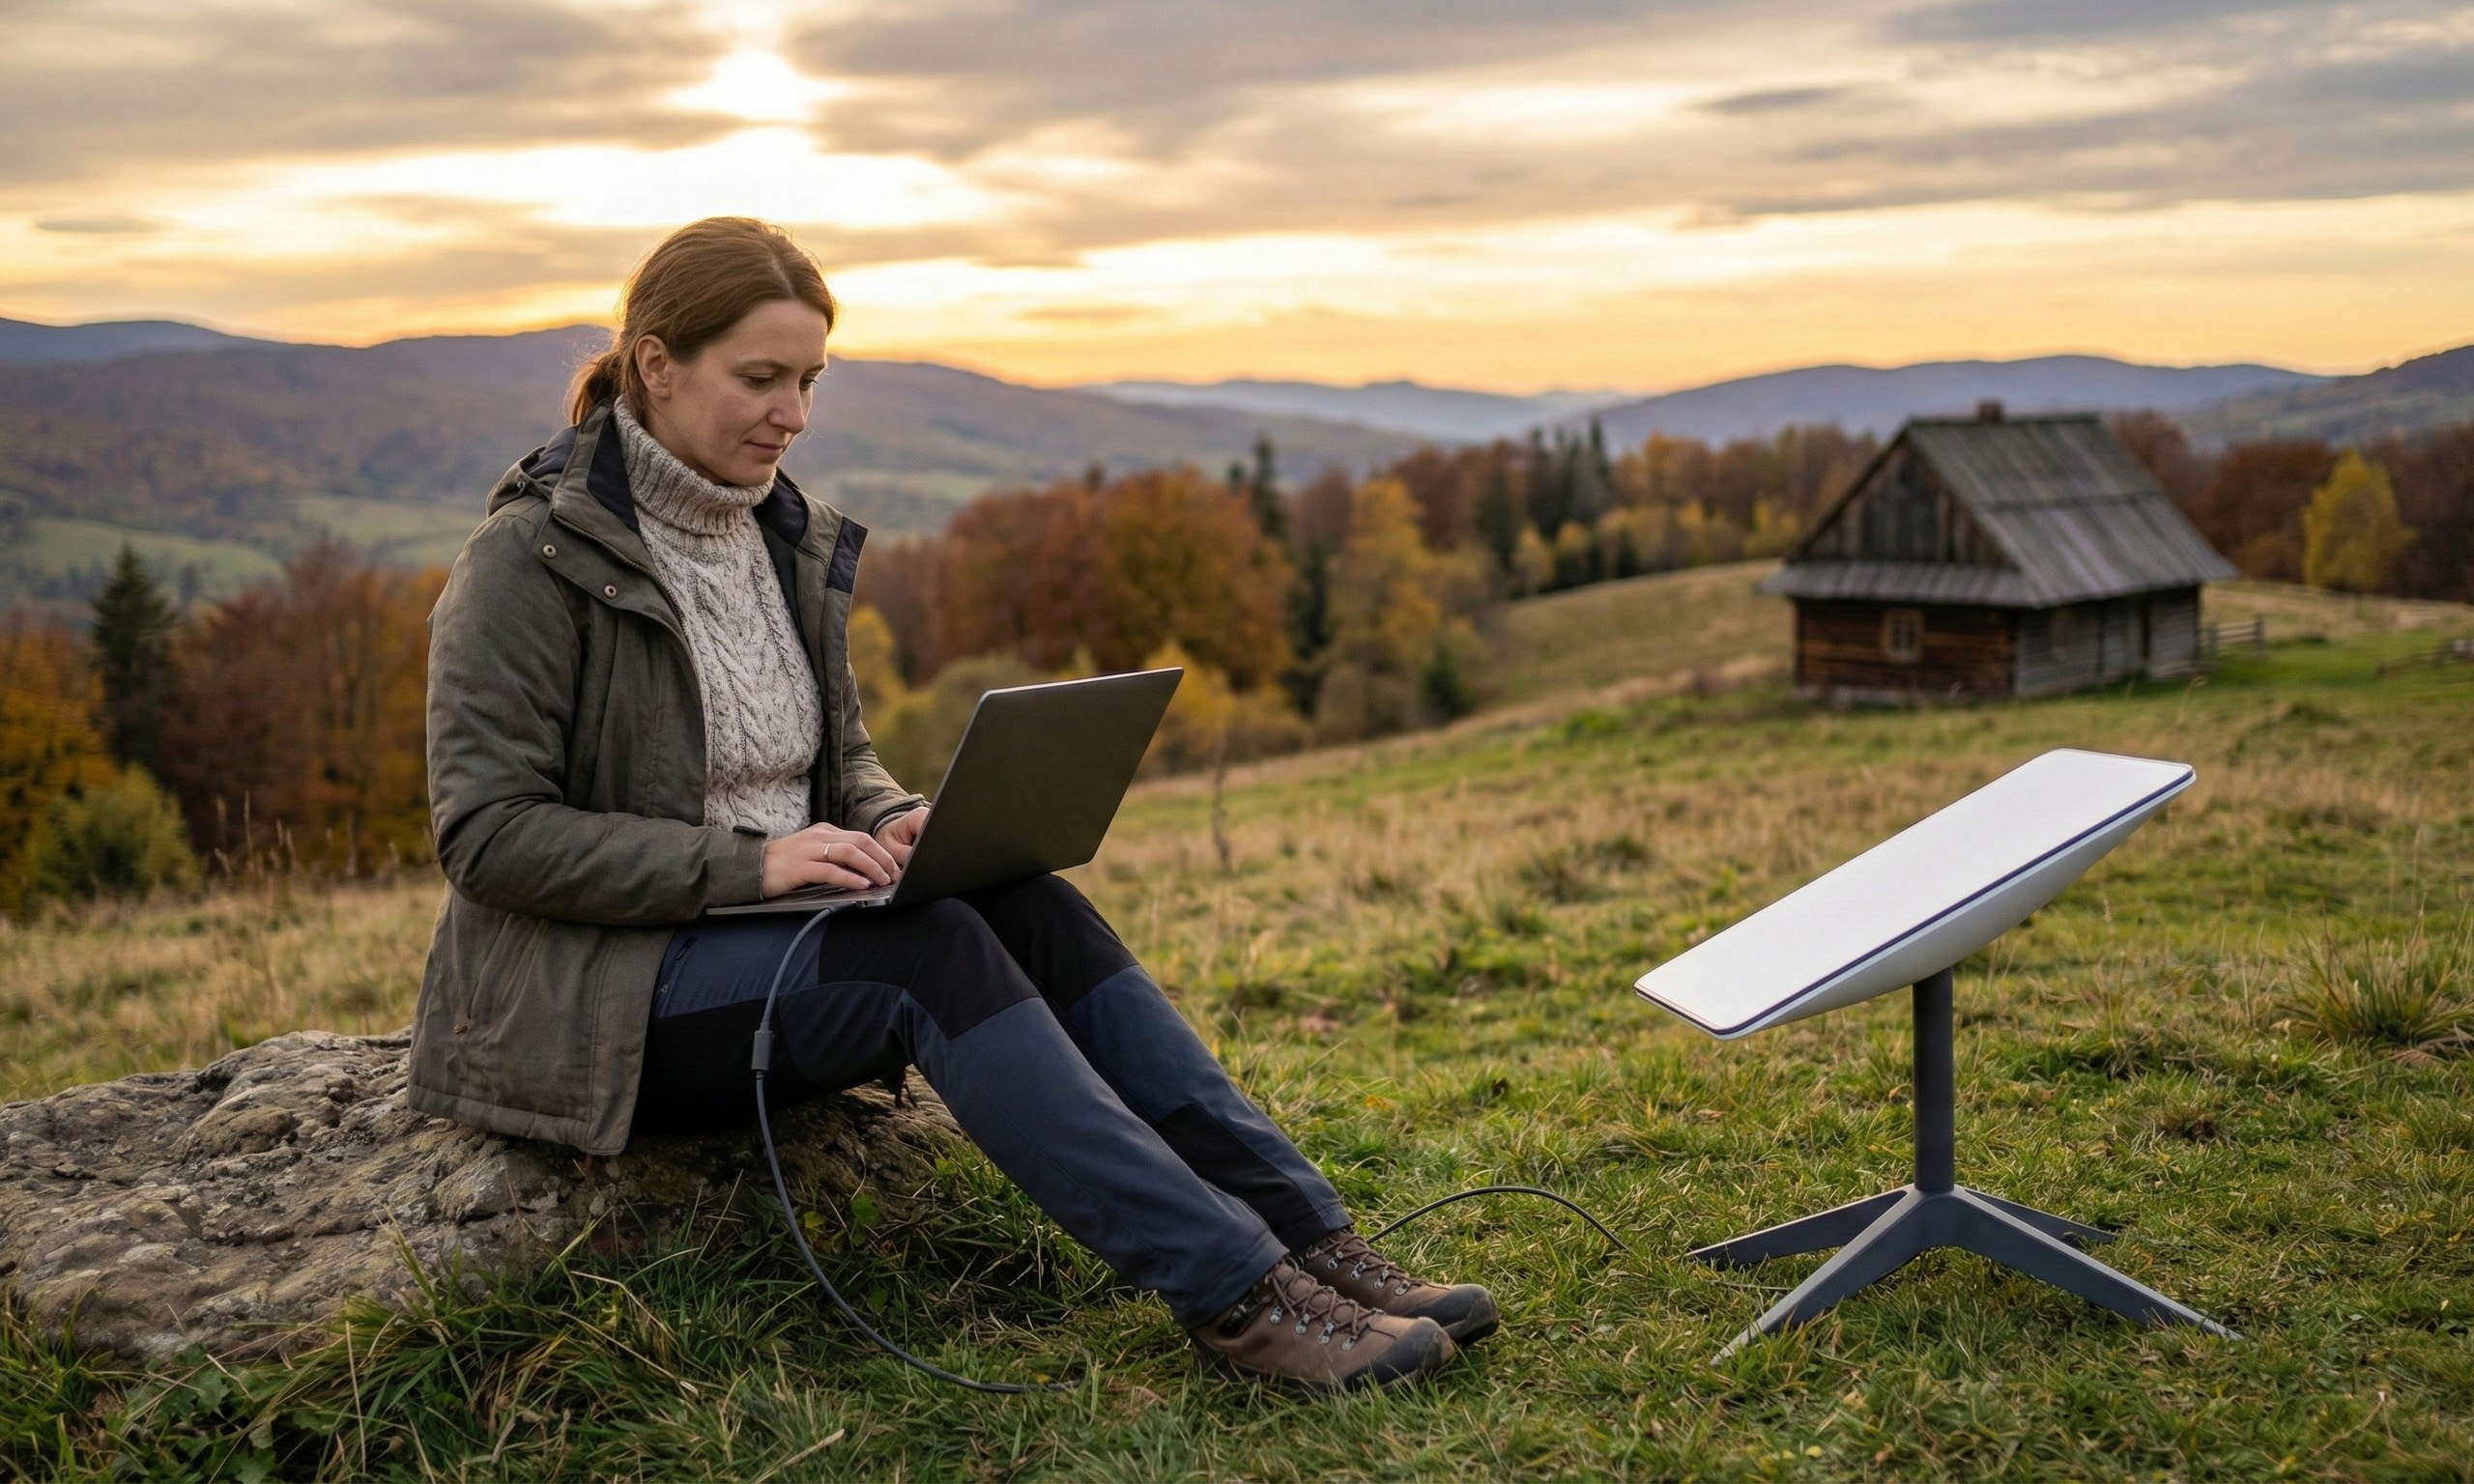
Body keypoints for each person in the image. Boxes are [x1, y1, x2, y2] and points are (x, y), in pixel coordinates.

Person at [406, 216, 1495, 1391]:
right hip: (605, 998)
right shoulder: (528, 562)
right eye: (760, 379)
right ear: (657, 366)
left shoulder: (778, 536)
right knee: (926, 954)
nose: (794, 414)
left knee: (1030, 905)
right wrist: (748, 866)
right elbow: (486, 835)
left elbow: (840, 755)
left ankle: (1306, 1241)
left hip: (776, 943)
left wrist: (885, 817)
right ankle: (1240, 1300)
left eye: (810, 379)